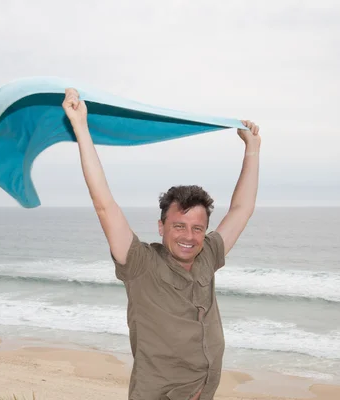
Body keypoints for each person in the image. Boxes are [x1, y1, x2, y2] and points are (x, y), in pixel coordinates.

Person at [62, 88, 261, 400]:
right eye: (178, 226)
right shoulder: (141, 264)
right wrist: (81, 128)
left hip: (202, 390)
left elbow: (241, 209)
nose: (188, 236)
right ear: (161, 226)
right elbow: (105, 205)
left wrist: (252, 150)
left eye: (198, 228)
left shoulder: (208, 253)